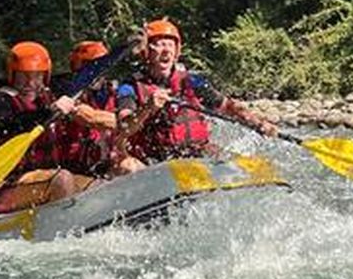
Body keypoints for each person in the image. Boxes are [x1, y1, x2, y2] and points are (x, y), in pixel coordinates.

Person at [115, 18, 278, 172]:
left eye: (171, 45)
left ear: (177, 50)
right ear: (146, 51)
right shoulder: (129, 86)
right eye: (160, 45)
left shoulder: (191, 81)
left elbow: (228, 106)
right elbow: (124, 128)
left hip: (196, 151)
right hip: (155, 160)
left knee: (237, 163)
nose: (166, 51)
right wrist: (147, 108)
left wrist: (258, 123)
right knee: (128, 166)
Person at [0, 41, 95, 213]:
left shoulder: (47, 96)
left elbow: (83, 75)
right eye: (23, 75)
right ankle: (62, 234)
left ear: (46, 76)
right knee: (62, 179)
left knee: (98, 187)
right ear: (11, 74)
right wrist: (49, 113)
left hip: (38, 181)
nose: (30, 82)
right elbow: (12, 127)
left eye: (37, 76)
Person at [54, 41, 118, 177]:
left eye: (101, 67)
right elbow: (92, 118)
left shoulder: (110, 91)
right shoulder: (66, 90)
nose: (96, 73)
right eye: (89, 68)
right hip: (74, 169)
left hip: (103, 164)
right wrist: (130, 121)